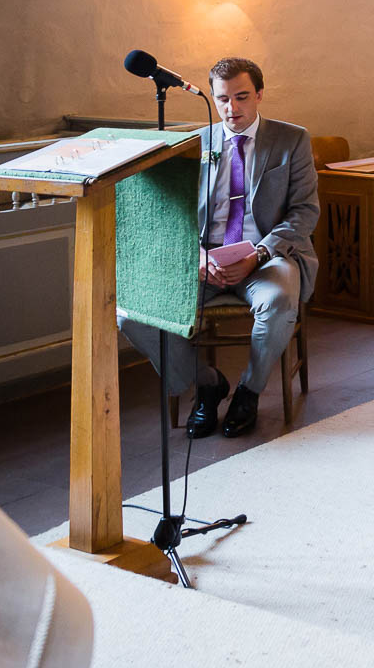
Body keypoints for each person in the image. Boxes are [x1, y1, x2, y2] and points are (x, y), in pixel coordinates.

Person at [118, 57, 319, 441]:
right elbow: (174, 212)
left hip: (266, 255)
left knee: (277, 300)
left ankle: (248, 391)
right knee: (132, 313)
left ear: (259, 95)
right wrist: (194, 257)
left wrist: (257, 254)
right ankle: (207, 384)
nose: (232, 108)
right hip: (204, 259)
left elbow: (305, 212)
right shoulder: (197, 143)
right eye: (223, 99)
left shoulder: (291, 139)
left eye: (242, 97)